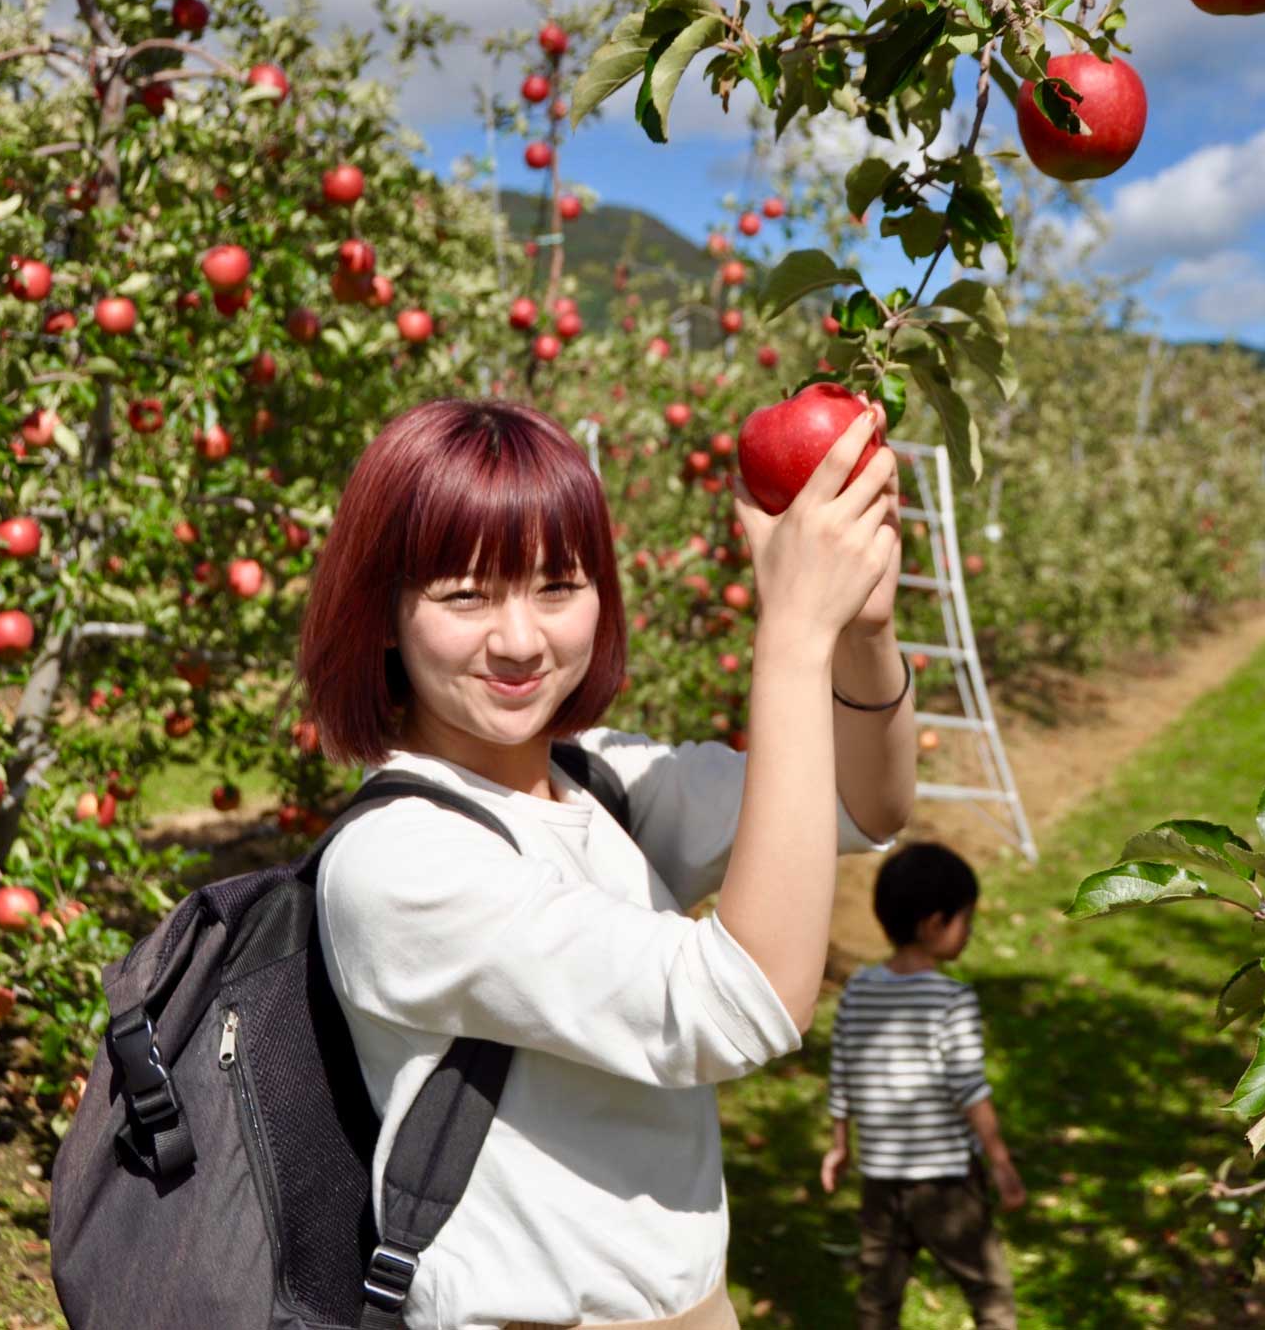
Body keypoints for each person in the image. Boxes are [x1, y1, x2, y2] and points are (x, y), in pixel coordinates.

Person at [295, 398, 916, 1329]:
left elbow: (864, 804)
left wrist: (859, 633)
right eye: (464, 596)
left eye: (557, 586)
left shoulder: (598, 785)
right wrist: (790, 633)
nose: (518, 640)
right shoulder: (399, 863)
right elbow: (740, 1006)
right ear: (382, 614)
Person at [821, 840, 1023, 1330]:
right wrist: (1000, 1162)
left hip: (881, 1178)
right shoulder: (951, 1000)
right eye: (966, 921)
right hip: (946, 1184)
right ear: (935, 924)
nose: (969, 932)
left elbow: (843, 1071)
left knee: (878, 1294)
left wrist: (839, 1145)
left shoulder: (858, 990)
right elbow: (969, 1089)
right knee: (988, 1288)